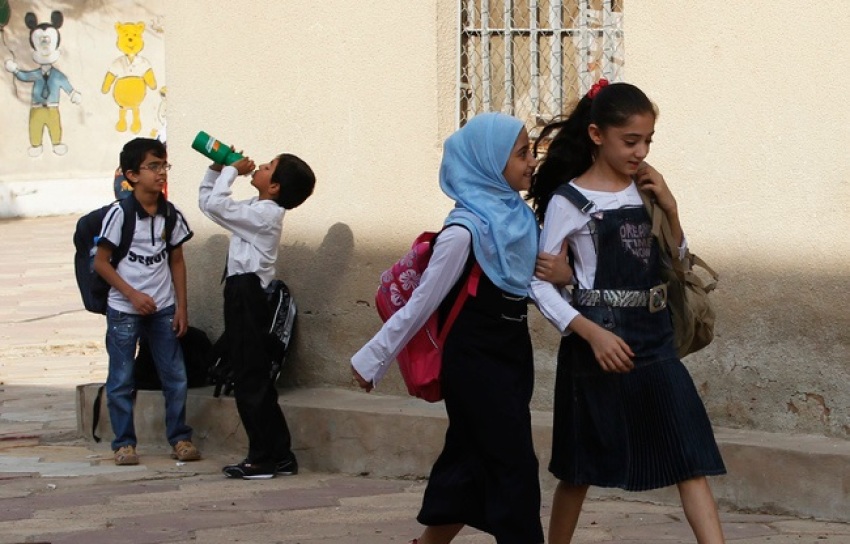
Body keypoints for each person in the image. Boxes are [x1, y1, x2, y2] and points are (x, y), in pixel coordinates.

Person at [528, 80, 727, 543]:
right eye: (630, 141)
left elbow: (676, 266)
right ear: (597, 135)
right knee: (579, 466)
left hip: (655, 339)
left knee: (689, 455)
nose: (641, 152)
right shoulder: (568, 200)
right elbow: (539, 284)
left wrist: (672, 209)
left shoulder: (648, 190)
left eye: (648, 142)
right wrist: (591, 334)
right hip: (597, 343)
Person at [351, 112, 546, 544]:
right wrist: (373, 358)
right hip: (474, 361)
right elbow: (423, 303)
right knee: (513, 464)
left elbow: (533, 287)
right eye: (521, 154)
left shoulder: (517, 219)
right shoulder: (464, 230)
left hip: (512, 353)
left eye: (531, 151)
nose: (531, 161)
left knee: (472, 457)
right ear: (488, 163)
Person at [198, 149, 316, 480]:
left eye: (267, 167)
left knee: (251, 380)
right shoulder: (255, 209)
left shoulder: (266, 215)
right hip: (240, 292)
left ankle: (262, 458)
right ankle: (280, 455)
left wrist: (232, 172)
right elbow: (211, 205)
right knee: (253, 377)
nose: (259, 167)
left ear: (275, 186)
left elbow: (219, 205)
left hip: (249, 296)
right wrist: (215, 168)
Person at [94, 137, 199, 466]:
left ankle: (180, 437)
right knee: (122, 378)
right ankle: (124, 443)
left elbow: (177, 261)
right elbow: (101, 262)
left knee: (175, 375)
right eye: (152, 166)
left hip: (164, 308)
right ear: (132, 175)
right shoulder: (120, 214)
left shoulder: (171, 215)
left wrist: (182, 307)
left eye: (163, 165)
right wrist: (132, 295)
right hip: (125, 311)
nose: (161, 173)